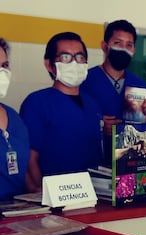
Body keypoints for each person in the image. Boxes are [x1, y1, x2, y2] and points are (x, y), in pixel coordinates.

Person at [20, 32, 102, 192]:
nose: (74, 63)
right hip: (56, 194)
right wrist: (42, 193)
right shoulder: (37, 102)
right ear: (49, 64)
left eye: (79, 57)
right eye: (65, 57)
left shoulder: (93, 104)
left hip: (90, 193)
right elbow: (30, 156)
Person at [81, 19, 146, 132]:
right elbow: (70, 121)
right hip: (93, 149)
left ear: (134, 50)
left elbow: (140, 133)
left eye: (129, 45)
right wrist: (98, 126)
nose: (123, 49)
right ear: (105, 46)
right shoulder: (85, 81)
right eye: (117, 43)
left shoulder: (139, 85)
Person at [0, 38, 30, 200]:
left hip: (15, 214)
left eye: (4, 66)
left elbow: (19, 170)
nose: (2, 73)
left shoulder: (13, 118)